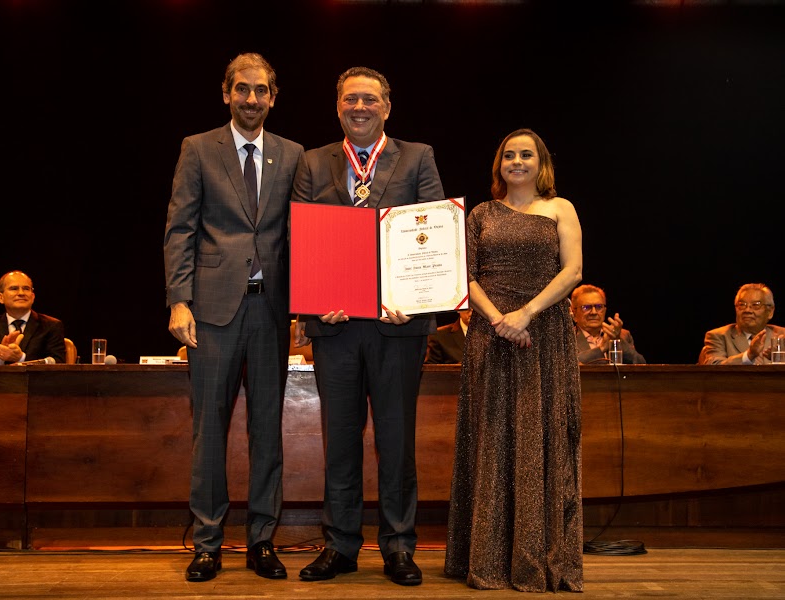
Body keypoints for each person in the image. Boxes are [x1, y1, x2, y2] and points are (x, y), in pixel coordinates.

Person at [291, 66, 444, 586]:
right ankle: (340, 546)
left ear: (387, 106)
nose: (360, 107)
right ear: (338, 106)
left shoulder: (417, 156)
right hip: (335, 327)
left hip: (398, 326)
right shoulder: (313, 162)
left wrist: (418, 298)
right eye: (351, 99)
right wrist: (314, 302)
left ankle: (399, 546)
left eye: (370, 99)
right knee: (340, 441)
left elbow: (434, 231)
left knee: (397, 441)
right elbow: (303, 239)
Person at [163, 53, 303, 582]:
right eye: (241, 89)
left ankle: (262, 540)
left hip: (272, 312)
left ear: (273, 96)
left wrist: (307, 306)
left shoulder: (294, 155)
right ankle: (207, 542)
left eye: (260, 90)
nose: (251, 99)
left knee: (269, 431)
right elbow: (181, 229)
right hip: (212, 313)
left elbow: (303, 235)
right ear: (226, 94)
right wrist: (179, 299)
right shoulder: (198, 149)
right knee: (209, 433)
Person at [444, 128, 584, 592]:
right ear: (498, 164)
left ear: (541, 162)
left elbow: (573, 271)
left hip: (544, 336)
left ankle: (537, 559)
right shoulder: (480, 213)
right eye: (509, 155)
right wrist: (498, 319)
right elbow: (463, 277)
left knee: (541, 439)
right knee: (492, 440)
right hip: (491, 334)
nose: (517, 162)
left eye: (526, 155)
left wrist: (525, 314)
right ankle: (484, 557)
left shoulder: (560, 208)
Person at [0, 270, 66, 365]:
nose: (21, 293)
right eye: (14, 288)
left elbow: (59, 362)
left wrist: (21, 358)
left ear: (33, 297)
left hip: (37, 380)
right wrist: (0, 357)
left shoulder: (51, 326)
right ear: (1, 297)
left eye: (26, 288)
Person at [698, 283, 783, 365]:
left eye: (756, 305)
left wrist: (779, 359)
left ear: (770, 312)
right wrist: (749, 355)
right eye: (742, 305)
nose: (747, 310)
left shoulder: (782, 336)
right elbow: (714, 367)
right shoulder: (718, 336)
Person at [571, 284, 645, 364]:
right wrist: (601, 348)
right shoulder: (567, 338)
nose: (594, 312)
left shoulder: (623, 335)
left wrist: (617, 340)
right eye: (586, 307)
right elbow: (568, 365)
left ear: (605, 311)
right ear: (574, 312)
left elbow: (640, 364)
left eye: (599, 307)